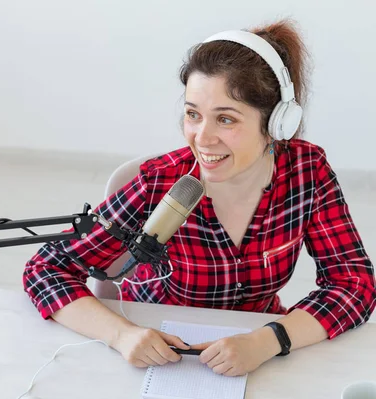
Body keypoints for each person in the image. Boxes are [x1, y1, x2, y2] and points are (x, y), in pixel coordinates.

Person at [23, 20, 376, 377]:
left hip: (255, 351)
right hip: (160, 352)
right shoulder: (160, 182)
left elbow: (354, 283)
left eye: (225, 119)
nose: (202, 139)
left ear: (275, 125)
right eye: (193, 114)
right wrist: (121, 335)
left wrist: (268, 341)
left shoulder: (307, 172)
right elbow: (45, 270)